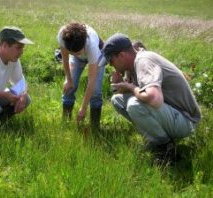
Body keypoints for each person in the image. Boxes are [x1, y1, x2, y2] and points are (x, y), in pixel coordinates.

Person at [100, 33, 201, 161]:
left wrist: (130, 88)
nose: (111, 65)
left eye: (111, 61)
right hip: (172, 113)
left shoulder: (143, 62)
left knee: (134, 105)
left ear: (121, 55)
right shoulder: (133, 63)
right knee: (118, 100)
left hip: (186, 121)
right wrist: (124, 86)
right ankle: (157, 137)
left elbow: (155, 99)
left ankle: (165, 149)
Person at [57, 22, 105, 130]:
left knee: (96, 91)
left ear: (84, 44)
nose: (76, 55)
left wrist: (83, 108)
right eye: (72, 53)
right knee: (69, 87)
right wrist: (68, 79)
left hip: (98, 55)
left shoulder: (92, 46)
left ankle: (94, 127)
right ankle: (66, 123)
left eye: (78, 52)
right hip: (78, 57)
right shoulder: (63, 37)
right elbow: (65, 58)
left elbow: (92, 80)